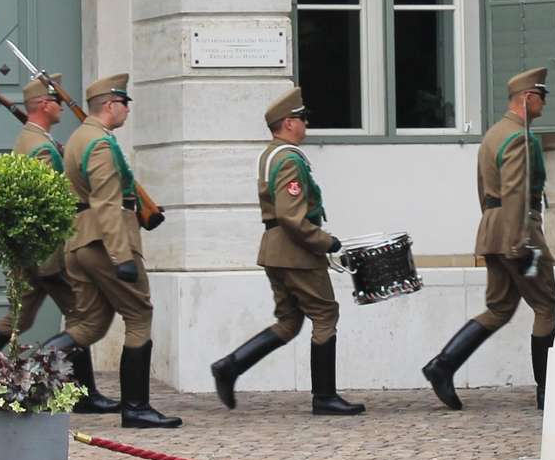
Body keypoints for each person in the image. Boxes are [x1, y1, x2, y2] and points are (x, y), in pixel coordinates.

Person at [0, 72, 118, 412]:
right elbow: (48, 199)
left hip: (31, 253)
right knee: (81, 317)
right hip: (47, 254)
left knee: (17, 319)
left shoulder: (31, 139)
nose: (61, 106)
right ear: (44, 105)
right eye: (56, 100)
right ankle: (81, 394)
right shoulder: (41, 147)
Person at [209, 84, 364, 415]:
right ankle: (325, 397)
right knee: (325, 314)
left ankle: (230, 366)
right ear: (288, 122)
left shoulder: (270, 155)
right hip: (296, 252)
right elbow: (292, 216)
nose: (305, 124)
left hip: (275, 250)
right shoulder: (289, 159)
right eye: (301, 118)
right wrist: (326, 242)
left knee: (289, 321)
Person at [41, 74, 181, 429]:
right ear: (109, 105)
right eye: (124, 103)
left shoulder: (80, 138)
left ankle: (32, 365)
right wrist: (122, 257)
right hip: (105, 243)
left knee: (89, 324)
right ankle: (136, 408)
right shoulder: (100, 144)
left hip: (81, 241)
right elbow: (105, 203)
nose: (127, 109)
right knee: (139, 316)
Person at [421, 67, 555, 410]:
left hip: (492, 229)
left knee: (499, 309)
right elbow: (515, 191)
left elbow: (485, 190)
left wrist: (495, 230)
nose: (545, 102)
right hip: (518, 230)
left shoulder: (493, 134)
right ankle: (550, 392)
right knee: (546, 307)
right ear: (527, 99)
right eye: (541, 96)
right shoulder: (520, 137)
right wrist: (520, 243)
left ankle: (443, 365)